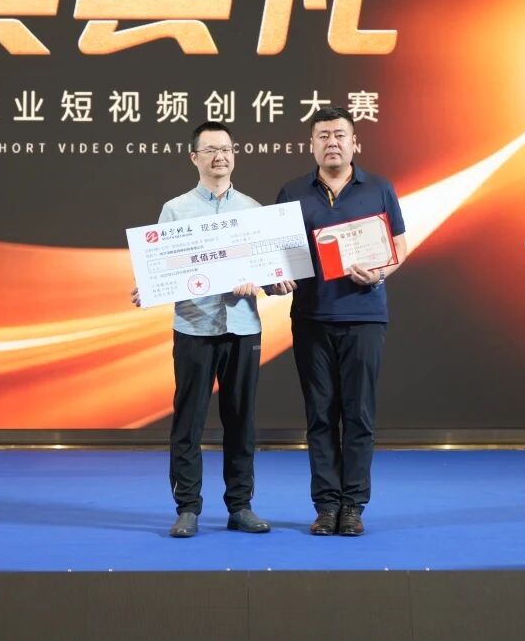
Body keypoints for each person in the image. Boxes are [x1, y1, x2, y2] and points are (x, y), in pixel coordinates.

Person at [131, 121, 272, 538]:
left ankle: (240, 506)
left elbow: (270, 270)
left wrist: (261, 281)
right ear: (194, 157)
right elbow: (161, 268)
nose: (220, 156)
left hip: (242, 326)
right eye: (210, 150)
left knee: (241, 420)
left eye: (226, 149)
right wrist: (151, 286)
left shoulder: (253, 210)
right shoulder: (175, 210)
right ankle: (188, 508)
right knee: (188, 422)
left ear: (234, 155)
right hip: (194, 326)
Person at [273, 106, 407, 536]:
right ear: (311, 145)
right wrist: (276, 278)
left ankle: (354, 506)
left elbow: (399, 246)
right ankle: (326, 506)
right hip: (311, 318)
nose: (332, 142)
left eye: (339, 135)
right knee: (320, 416)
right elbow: (276, 254)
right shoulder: (292, 192)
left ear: (354, 143)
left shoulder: (379, 188)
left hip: (365, 317)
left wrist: (380, 272)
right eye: (323, 136)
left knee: (359, 415)